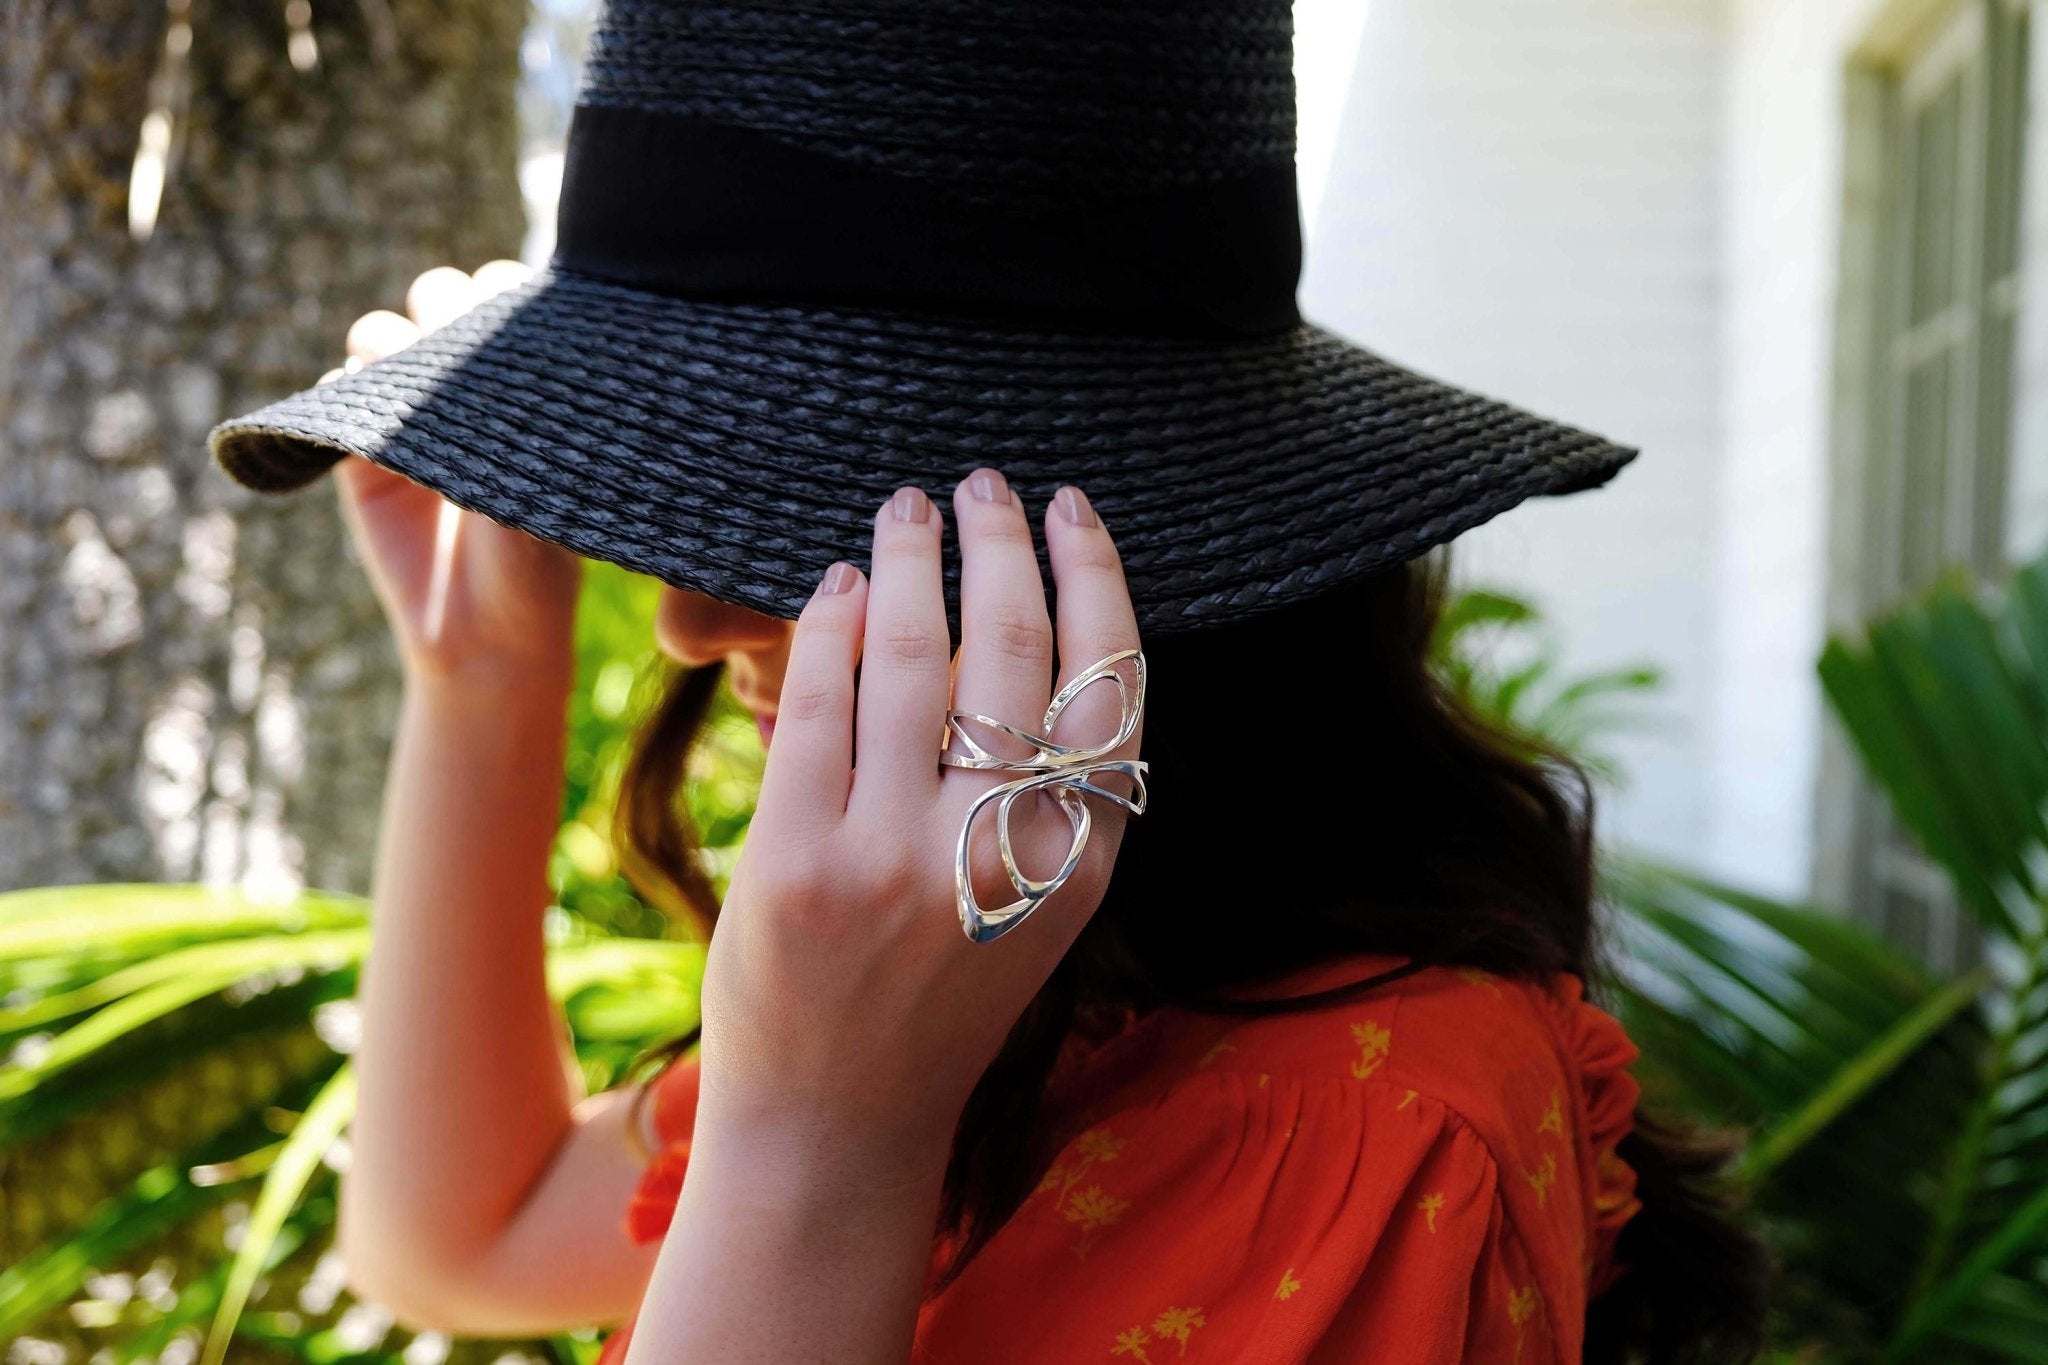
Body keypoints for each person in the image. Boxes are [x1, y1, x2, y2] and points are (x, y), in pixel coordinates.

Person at [211, 4, 1769, 1358]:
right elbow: (459, 1239)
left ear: (1118, 553)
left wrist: (824, 1140)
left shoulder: (1382, 1119)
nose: (684, 622)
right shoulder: (1013, 1001)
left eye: (808, 503)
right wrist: (484, 676)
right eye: (687, 492)